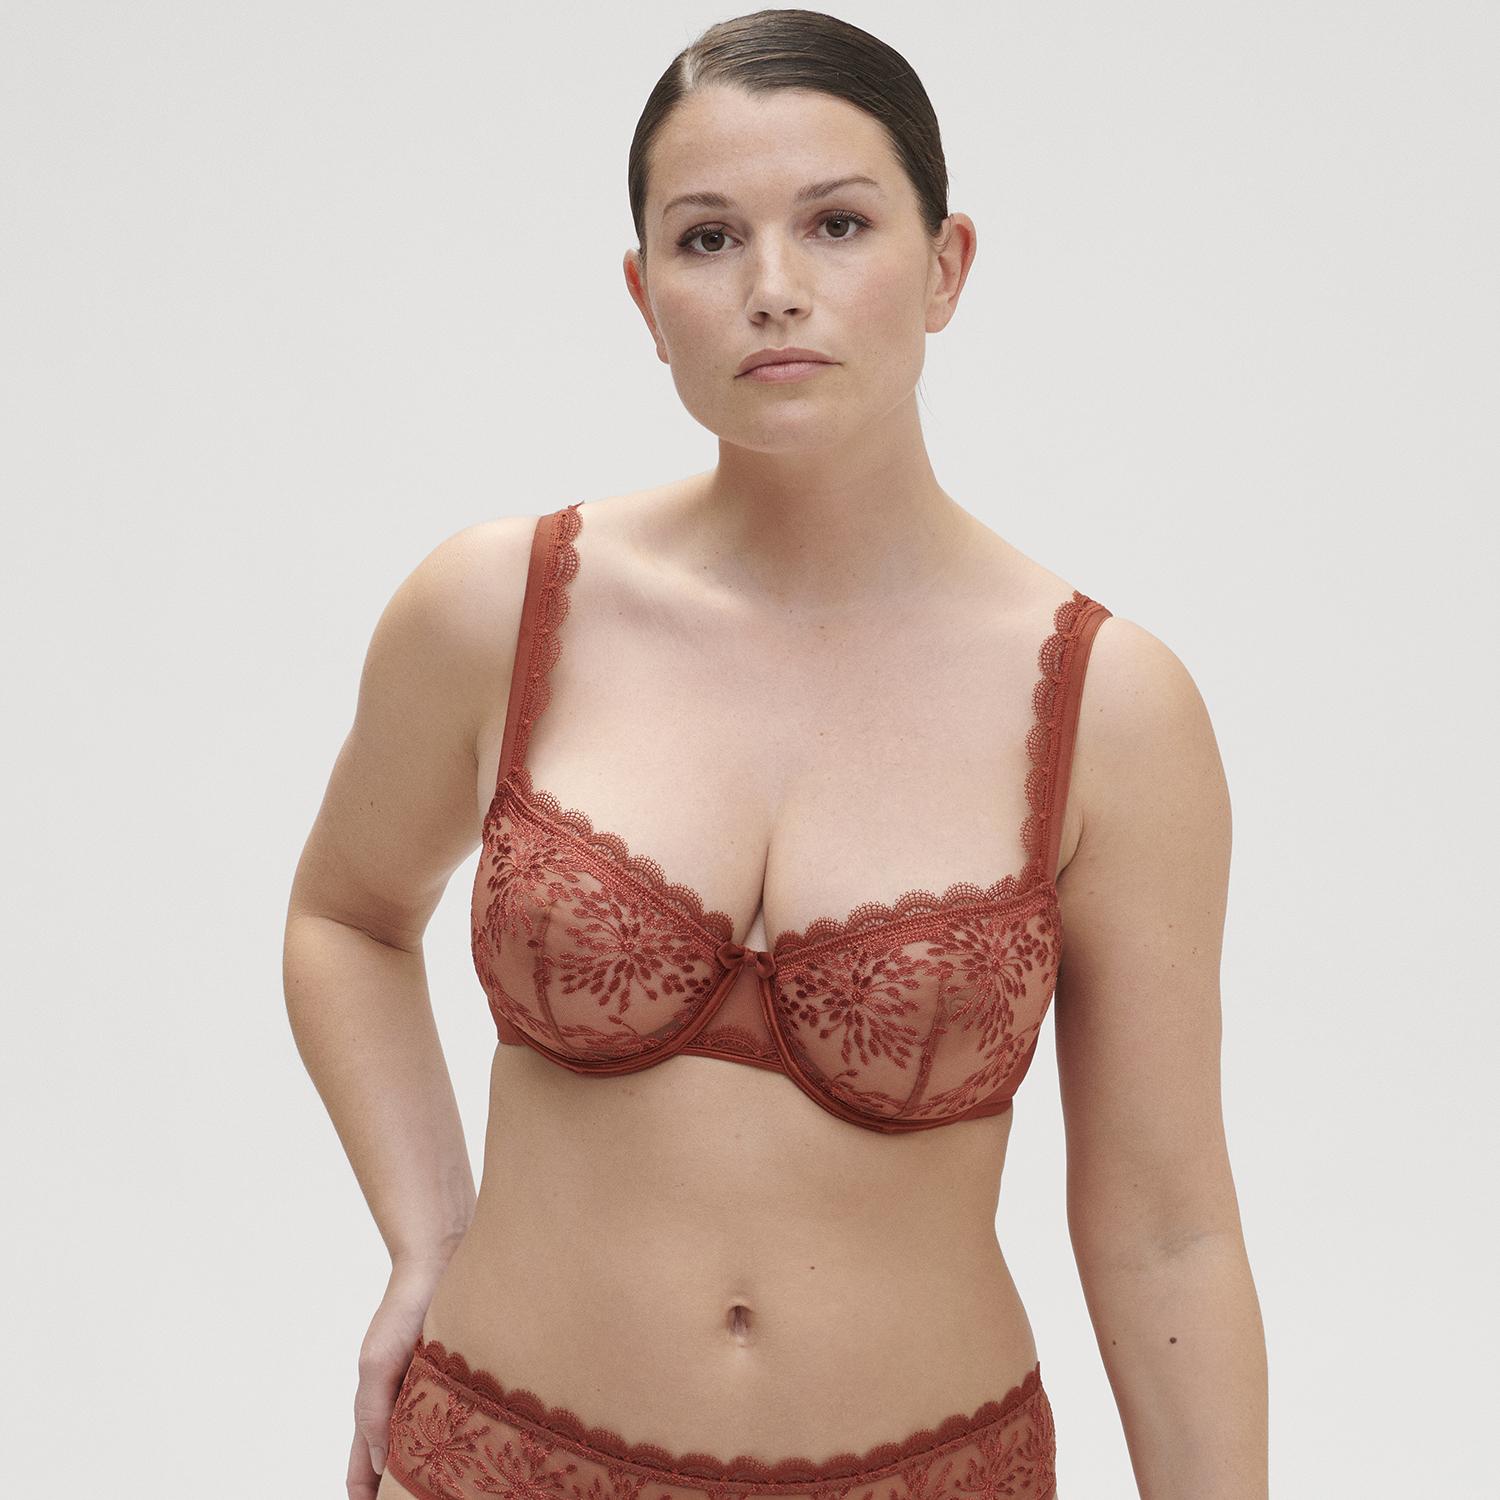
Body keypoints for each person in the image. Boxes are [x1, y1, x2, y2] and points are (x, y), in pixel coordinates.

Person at [283, 11, 1267, 1499]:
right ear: (644, 295)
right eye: (707, 239)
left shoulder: (1110, 708)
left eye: (839, 223)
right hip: (498, 1459)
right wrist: (429, 1234)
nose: (774, 288)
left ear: (947, 267)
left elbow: (1167, 1230)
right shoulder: (498, 607)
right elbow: (346, 915)